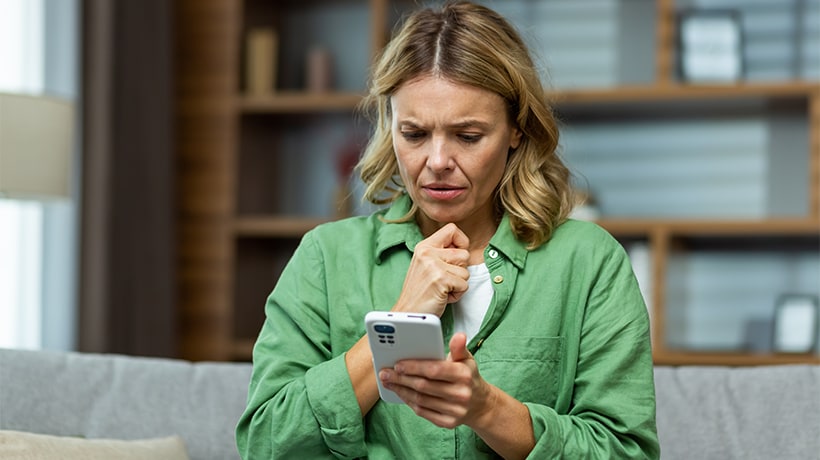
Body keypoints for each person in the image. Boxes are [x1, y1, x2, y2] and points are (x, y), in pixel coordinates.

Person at [236, 1, 659, 458]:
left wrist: (487, 408)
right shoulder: (326, 257)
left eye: (468, 136)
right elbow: (265, 443)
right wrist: (399, 322)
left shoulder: (588, 261)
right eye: (414, 134)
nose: (437, 162)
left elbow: (625, 451)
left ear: (516, 129)